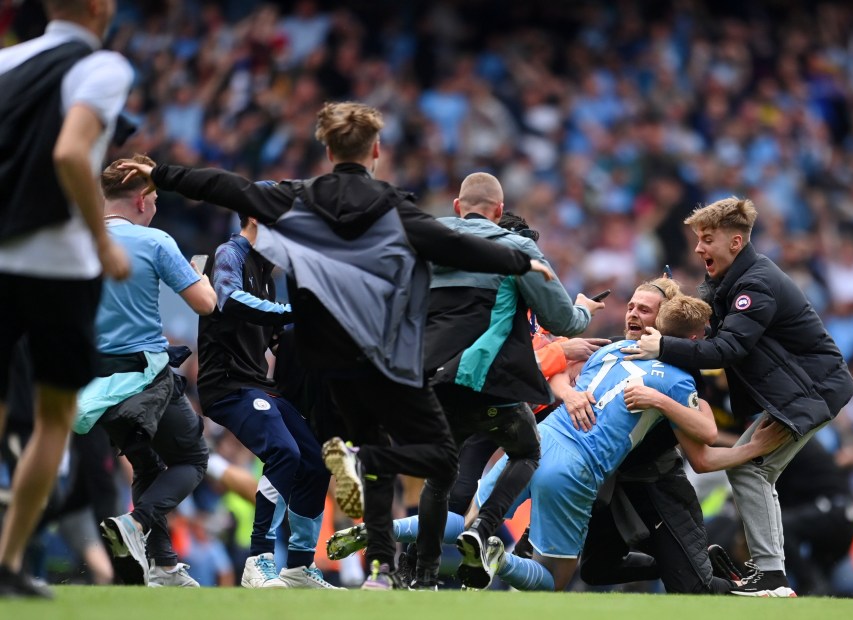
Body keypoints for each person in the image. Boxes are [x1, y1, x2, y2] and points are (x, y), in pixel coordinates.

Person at [116, 100, 554, 591]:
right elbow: (445, 242)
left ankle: (328, 504)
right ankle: (381, 566)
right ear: (377, 150)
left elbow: (228, 187)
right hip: (367, 345)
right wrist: (518, 262)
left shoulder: (300, 196)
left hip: (307, 347)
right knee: (398, 453)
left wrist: (164, 172)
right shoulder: (389, 203)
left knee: (320, 445)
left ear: (326, 147)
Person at [328, 295, 788, 592]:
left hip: (536, 442)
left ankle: (380, 531)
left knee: (469, 519)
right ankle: (499, 560)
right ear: (693, 340)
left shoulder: (609, 350)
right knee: (554, 578)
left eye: (642, 310)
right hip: (577, 469)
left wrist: (568, 390)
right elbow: (705, 440)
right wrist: (744, 444)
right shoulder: (678, 378)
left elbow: (557, 366)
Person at [628, 197, 853, 597]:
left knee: (752, 469)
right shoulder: (726, 283)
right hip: (794, 393)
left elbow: (726, 349)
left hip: (810, 392)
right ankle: (769, 573)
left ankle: (772, 575)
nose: (699, 248)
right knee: (750, 469)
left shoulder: (756, 284)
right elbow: (700, 327)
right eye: (698, 239)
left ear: (735, 242)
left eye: (707, 239)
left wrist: (662, 346)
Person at [0, 0, 132, 598]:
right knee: (54, 419)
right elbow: (70, 151)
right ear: (101, 8)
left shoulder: (8, 60)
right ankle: (7, 562)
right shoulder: (101, 65)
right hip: (58, 267)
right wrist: (103, 241)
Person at [416, 173, 602, 588]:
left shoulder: (424, 241)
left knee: (438, 479)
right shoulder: (516, 248)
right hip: (490, 382)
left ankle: (421, 576)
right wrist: (584, 310)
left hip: (432, 380)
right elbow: (561, 321)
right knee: (527, 451)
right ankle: (482, 529)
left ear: (456, 205)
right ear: (499, 212)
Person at [72, 154, 215, 587]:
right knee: (193, 458)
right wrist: (200, 277)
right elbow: (204, 304)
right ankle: (136, 524)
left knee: (149, 468)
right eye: (152, 200)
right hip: (144, 379)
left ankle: (165, 567)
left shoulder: (80, 241)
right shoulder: (155, 242)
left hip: (94, 387)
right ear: (141, 201)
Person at [574, 277, 743, 594]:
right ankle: (686, 564)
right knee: (596, 570)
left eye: (644, 310)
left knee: (693, 589)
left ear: (664, 320)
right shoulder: (614, 349)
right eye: (630, 307)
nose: (633, 315)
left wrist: (657, 400)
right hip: (615, 485)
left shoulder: (680, 372)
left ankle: (754, 597)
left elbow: (704, 436)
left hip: (657, 486)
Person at [197, 214, 337, 590]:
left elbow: (280, 336)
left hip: (258, 386)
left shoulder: (265, 273)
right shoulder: (231, 253)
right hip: (227, 385)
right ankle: (258, 560)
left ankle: (298, 568)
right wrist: (296, 314)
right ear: (258, 221)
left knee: (316, 462)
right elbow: (229, 298)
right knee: (284, 452)